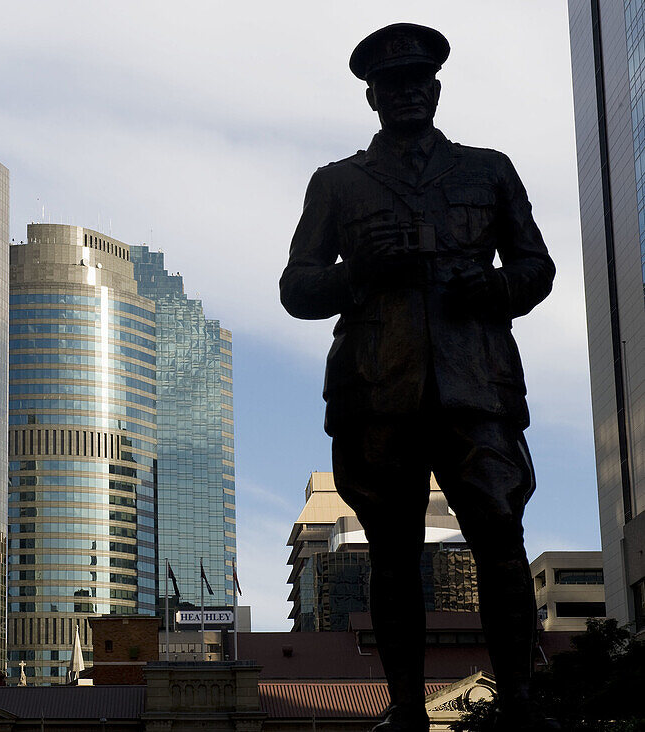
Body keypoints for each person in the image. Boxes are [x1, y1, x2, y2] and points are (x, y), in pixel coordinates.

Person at [279, 23, 556, 732]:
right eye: (390, 85)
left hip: (477, 383)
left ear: (434, 89)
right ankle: (406, 710)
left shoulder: (488, 169)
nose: (405, 94)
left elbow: (535, 268)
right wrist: (360, 272)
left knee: (499, 531)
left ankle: (522, 702)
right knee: (392, 550)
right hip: (377, 388)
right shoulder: (337, 183)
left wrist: (489, 288)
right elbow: (298, 288)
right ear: (372, 96)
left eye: (416, 82)